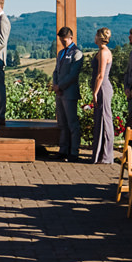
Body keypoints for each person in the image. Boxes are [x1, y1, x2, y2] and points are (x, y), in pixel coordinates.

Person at [52, 27, 84, 162]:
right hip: (59, 93)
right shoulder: (60, 53)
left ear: (70, 38)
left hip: (69, 92)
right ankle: (63, 149)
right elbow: (56, 71)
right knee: (62, 123)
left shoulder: (77, 53)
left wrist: (61, 86)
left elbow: (73, 74)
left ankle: (74, 151)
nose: (62, 42)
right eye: (60, 40)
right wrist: (55, 84)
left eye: (64, 40)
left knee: (72, 123)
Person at [90, 27, 115, 164]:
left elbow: (100, 74)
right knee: (100, 119)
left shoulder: (104, 52)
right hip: (101, 87)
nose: (94, 37)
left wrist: (95, 91)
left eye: (95, 35)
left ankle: (105, 155)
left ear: (99, 37)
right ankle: (100, 154)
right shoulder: (101, 51)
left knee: (105, 119)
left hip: (103, 88)